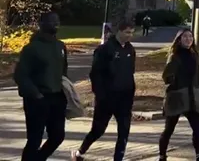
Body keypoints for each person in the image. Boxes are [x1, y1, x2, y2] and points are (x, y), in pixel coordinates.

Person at [72, 20, 136, 161]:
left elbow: (131, 72)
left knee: (124, 132)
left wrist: (131, 92)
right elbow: (95, 74)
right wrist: (100, 95)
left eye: (131, 33)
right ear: (119, 31)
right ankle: (80, 152)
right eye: (127, 32)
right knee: (98, 130)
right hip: (107, 98)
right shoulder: (105, 49)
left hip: (124, 98)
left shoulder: (130, 50)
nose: (129, 36)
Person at [14, 12, 68, 161]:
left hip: (57, 98)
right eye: (52, 21)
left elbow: (63, 73)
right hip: (36, 99)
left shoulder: (60, 46)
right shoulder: (31, 48)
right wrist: (36, 95)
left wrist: (67, 94)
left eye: (57, 21)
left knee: (58, 136)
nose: (56, 24)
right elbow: (20, 75)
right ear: (42, 24)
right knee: (34, 140)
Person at [158, 29, 199, 161]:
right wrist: (176, 83)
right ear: (179, 40)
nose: (188, 39)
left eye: (190, 36)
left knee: (198, 130)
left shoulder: (194, 55)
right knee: (169, 129)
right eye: (185, 37)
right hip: (177, 98)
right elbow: (166, 76)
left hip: (193, 97)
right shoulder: (175, 56)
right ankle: (162, 155)